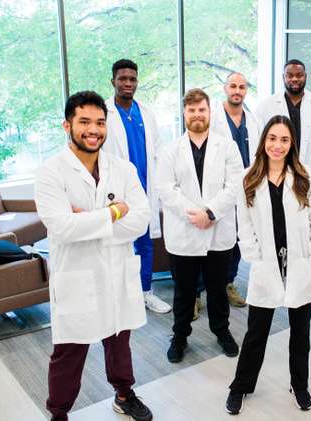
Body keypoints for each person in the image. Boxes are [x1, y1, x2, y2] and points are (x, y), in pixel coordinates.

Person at [35, 91, 153, 421]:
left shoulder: (123, 168)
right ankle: (58, 413)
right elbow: (61, 228)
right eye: (84, 121)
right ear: (67, 125)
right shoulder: (50, 172)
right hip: (76, 276)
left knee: (119, 341)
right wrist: (114, 211)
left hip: (116, 272)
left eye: (99, 122)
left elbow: (141, 218)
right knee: (69, 352)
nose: (93, 130)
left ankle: (124, 394)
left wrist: (85, 219)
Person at [225, 115, 311, 415]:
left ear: (292, 144)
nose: (277, 145)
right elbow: (244, 224)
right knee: (256, 332)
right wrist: (254, 255)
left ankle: (300, 385)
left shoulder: (304, 175)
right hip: (267, 265)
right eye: (272, 138)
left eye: (284, 139)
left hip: (300, 263)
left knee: (300, 333)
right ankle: (240, 386)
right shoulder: (249, 177)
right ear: (263, 141)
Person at [157, 88, 243, 364]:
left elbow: (235, 184)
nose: (197, 114)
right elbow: (165, 190)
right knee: (184, 292)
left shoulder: (227, 146)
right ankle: (179, 337)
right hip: (184, 231)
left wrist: (211, 213)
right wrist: (195, 215)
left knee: (218, 288)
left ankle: (222, 332)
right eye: (192, 110)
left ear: (209, 112)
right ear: (184, 114)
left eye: (201, 110)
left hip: (218, 231)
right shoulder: (170, 150)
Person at [103, 58, 171, 314]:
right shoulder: (105, 113)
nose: (128, 83)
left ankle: (146, 292)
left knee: (145, 244)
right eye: (122, 79)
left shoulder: (145, 111)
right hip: (117, 192)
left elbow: (159, 149)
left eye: (132, 79)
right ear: (113, 82)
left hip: (145, 189)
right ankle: (118, 296)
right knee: (116, 243)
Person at [209, 71, 261, 308]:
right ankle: (199, 292)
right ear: (225, 88)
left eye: (242, 87)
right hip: (216, 189)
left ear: (246, 90)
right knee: (210, 240)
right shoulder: (211, 116)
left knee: (238, 238)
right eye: (233, 86)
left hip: (244, 188)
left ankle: (228, 282)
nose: (237, 91)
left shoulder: (252, 120)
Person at [255, 59, 311, 164]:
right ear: (283, 77)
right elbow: (258, 141)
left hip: (310, 168)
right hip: (275, 167)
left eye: (299, 75)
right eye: (289, 75)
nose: (294, 79)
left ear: (306, 76)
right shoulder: (265, 106)